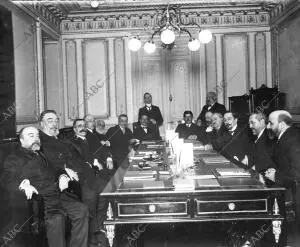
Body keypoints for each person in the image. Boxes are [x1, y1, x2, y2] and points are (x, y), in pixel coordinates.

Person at [1, 126, 89, 247]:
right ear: (21, 140)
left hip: (58, 195)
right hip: (41, 201)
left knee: (82, 210)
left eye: (37, 136)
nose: (36, 139)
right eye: (31, 136)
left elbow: (56, 169)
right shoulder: (14, 158)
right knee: (57, 219)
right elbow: (6, 179)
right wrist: (22, 185)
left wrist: (62, 176)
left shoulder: (41, 154)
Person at [71, 119, 112, 245]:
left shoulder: (87, 139)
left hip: (93, 175)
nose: (82, 128)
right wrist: (92, 164)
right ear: (74, 129)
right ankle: (92, 233)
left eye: (84, 126)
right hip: (83, 178)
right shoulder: (72, 142)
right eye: (79, 126)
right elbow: (74, 160)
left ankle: (98, 225)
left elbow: (97, 152)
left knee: (107, 190)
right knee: (90, 199)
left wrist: (101, 159)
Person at [265, 110, 300, 189]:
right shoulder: (286, 136)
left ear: (281, 125)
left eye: (271, 123)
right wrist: (273, 169)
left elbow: (297, 173)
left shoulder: (293, 139)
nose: (267, 127)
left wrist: (275, 176)